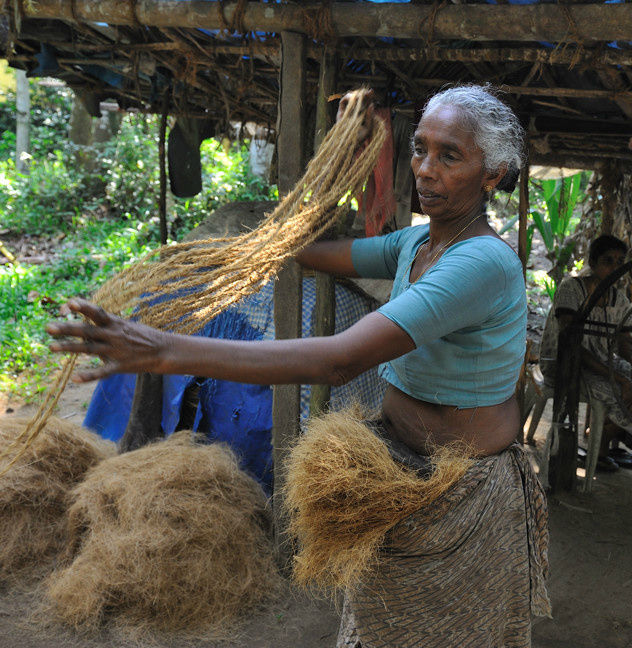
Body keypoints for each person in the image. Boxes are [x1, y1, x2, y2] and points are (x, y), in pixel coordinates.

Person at [47, 85, 550, 647]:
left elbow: (340, 359)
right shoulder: (417, 242)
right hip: (398, 475)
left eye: (449, 156)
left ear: (493, 174)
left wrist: (164, 349)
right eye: (420, 149)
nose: (425, 170)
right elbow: (327, 254)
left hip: (461, 493)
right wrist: (251, 247)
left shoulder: (481, 261)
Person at [539, 234, 632, 471]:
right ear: (592, 263)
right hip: (566, 363)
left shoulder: (618, 298)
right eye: (608, 261)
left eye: (619, 262)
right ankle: (599, 450)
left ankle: (606, 446)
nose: (615, 268)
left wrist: (628, 368)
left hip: (601, 361)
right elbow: (573, 346)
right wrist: (620, 379)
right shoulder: (572, 289)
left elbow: (623, 339)